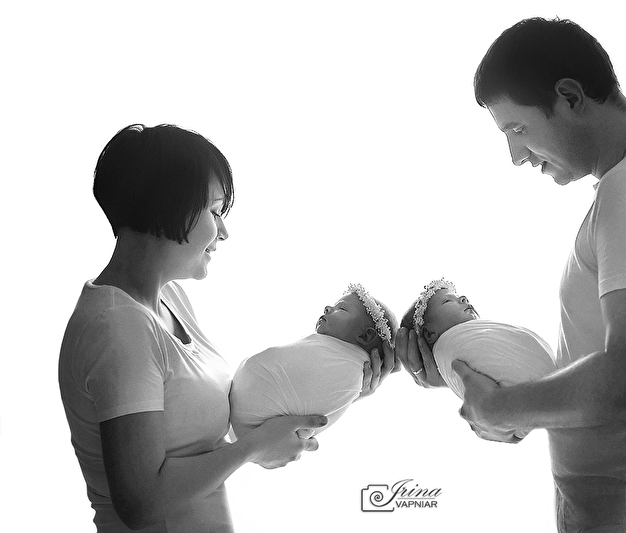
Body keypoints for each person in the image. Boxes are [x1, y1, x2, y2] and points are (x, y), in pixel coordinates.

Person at [396, 17, 626, 532]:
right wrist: (468, 377)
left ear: (570, 97)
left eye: (517, 129)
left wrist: (501, 408)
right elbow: (608, 375)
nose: (515, 156)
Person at [58, 124, 393, 532]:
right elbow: (142, 502)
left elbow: (194, 440)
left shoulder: (167, 299)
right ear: (168, 207)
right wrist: (253, 448)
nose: (224, 231)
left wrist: (338, 389)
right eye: (215, 211)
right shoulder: (118, 327)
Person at [230, 283, 398, 443]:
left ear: (365, 336)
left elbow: (316, 415)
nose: (327, 308)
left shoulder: (348, 370)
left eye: (341, 309)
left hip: (251, 420)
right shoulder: (327, 351)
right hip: (244, 419)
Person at [400, 278, 555, 400]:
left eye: (459, 296)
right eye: (447, 301)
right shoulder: (448, 347)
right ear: (429, 334)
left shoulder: (483, 332)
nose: (463, 298)